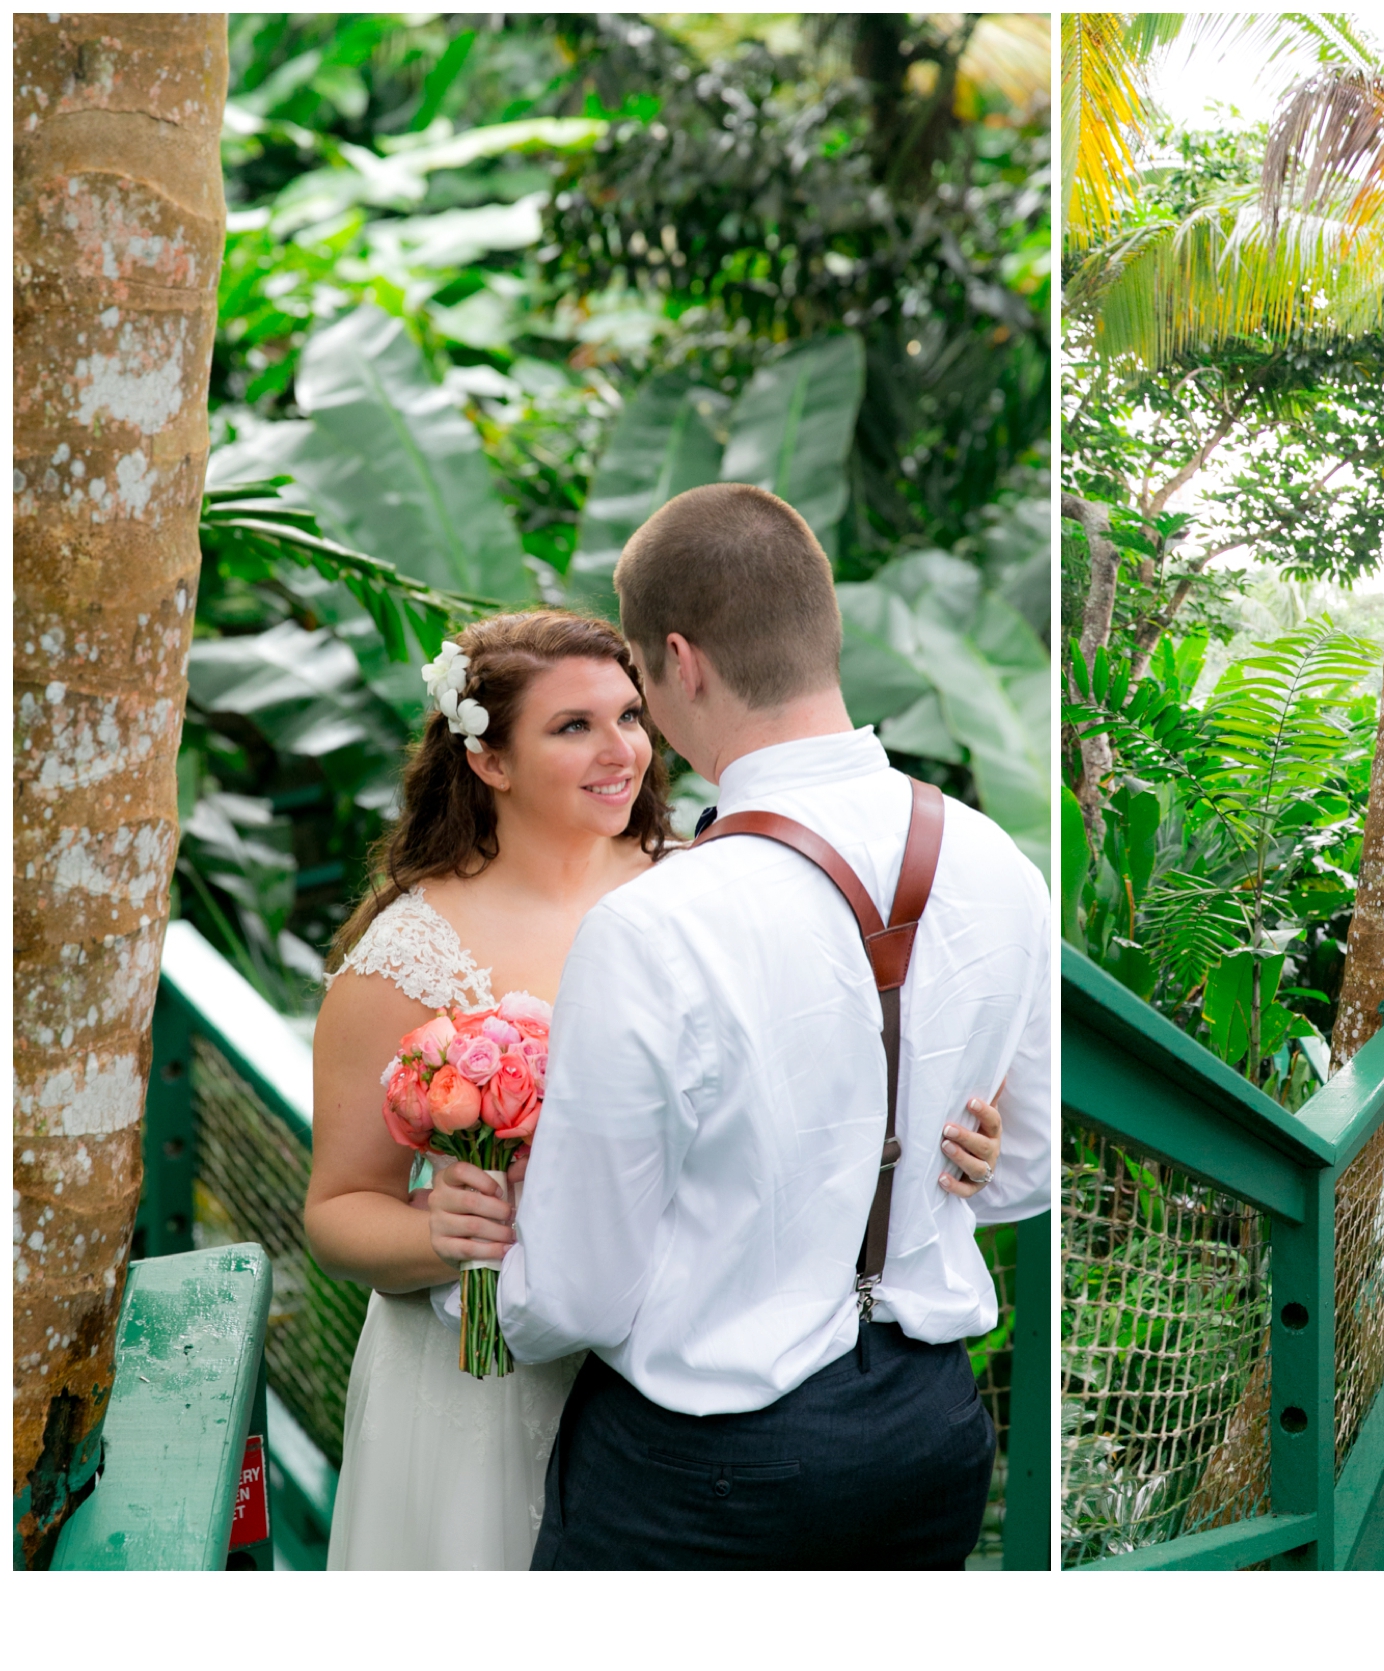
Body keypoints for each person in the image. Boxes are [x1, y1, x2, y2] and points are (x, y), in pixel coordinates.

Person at [427, 483, 1052, 1570]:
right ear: (824, 630)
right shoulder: (1001, 866)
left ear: (682, 659)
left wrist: (457, 1289)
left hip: (705, 1477)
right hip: (931, 1439)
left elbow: (574, 1294)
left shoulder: (654, 924)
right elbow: (1023, 1172)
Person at [304, 609, 1007, 1570]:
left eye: (631, 714)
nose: (622, 750)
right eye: (572, 726)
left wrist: (953, 1130)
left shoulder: (710, 887)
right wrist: (437, 1233)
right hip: (486, 1378)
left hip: (682, 1381)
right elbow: (338, 1210)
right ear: (487, 762)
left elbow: (829, 1063)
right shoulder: (403, 957)